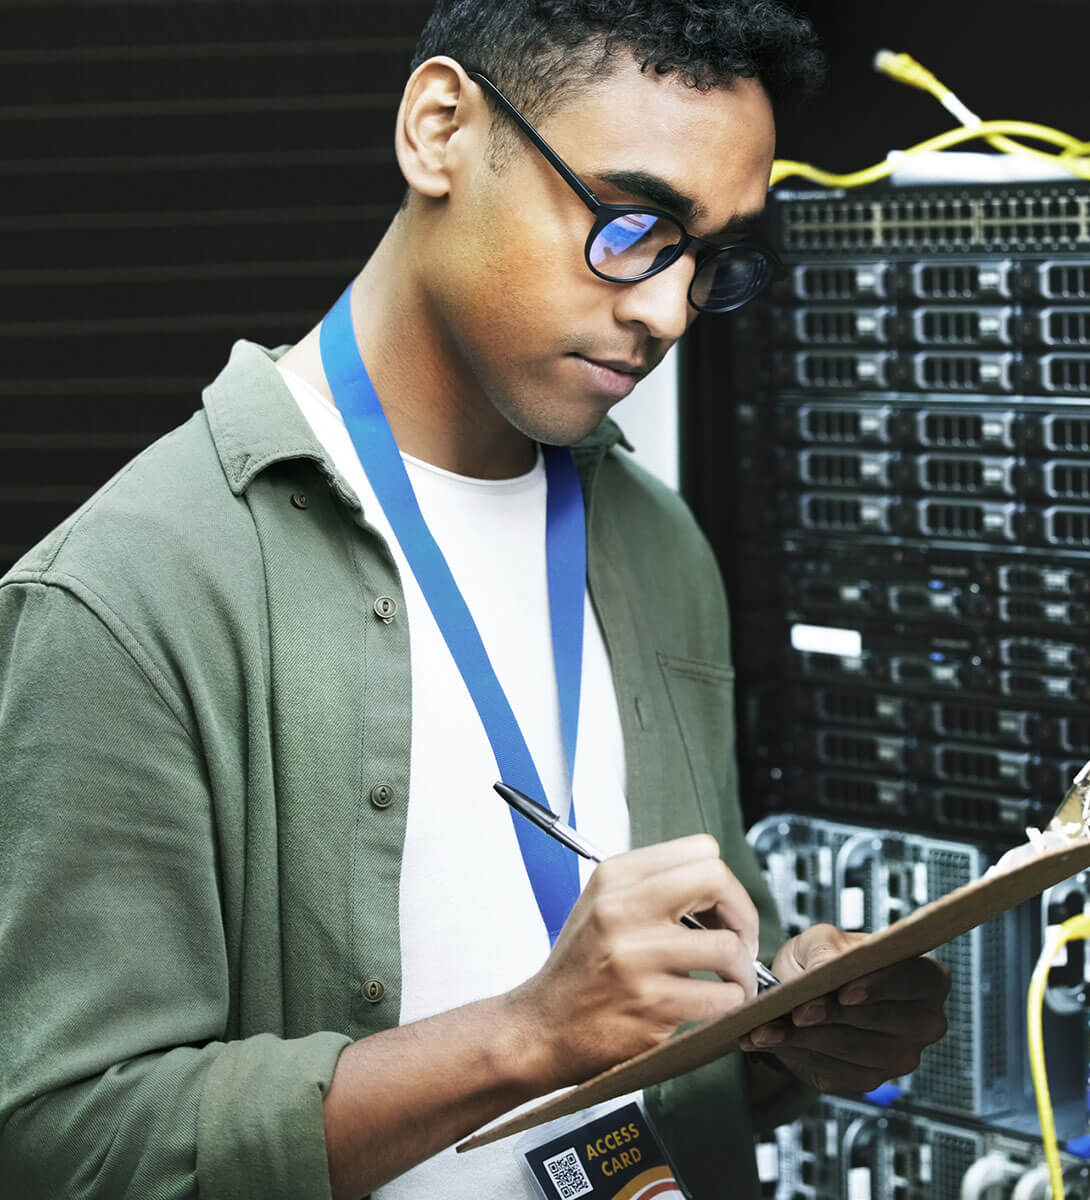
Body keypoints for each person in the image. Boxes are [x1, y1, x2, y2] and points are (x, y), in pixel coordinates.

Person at [0, 3, 952, 1197]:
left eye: (710, 255)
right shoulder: (125, 590)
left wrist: (786, 1023)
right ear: (439, 128)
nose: (665, 310)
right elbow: (62, 1148)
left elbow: (673, 1013)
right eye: (629, 224)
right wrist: (528, 1034)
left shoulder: (660, 544)